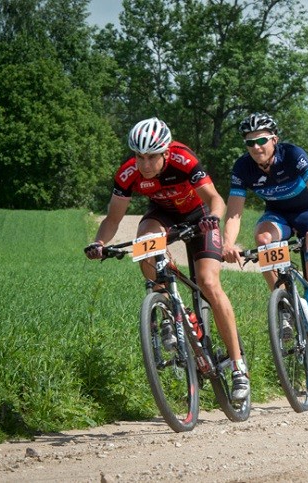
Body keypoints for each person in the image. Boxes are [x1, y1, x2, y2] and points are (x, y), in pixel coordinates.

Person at [85, 117, 250, 401]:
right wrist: (99, 243)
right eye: (139, 157)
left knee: (209, 284)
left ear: (165, 152)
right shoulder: (127, 174)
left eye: (151, 157)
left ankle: (238, 366)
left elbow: (216, 199)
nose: (144, 164)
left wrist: (212, 219)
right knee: (144, 242)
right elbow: (113, 218)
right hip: (162, 216)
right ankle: (164, 309)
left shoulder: (183, 160)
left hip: (199, 218)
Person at [221, 112, 308, 386]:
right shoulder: (242, 168)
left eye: (261, 140)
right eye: (249, 142)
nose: (256, 147)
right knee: (262, 240)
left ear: (274, 139)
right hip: (278, 217)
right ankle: (282, 302)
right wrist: (227, 243)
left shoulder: (293, 154)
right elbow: (234, 214)